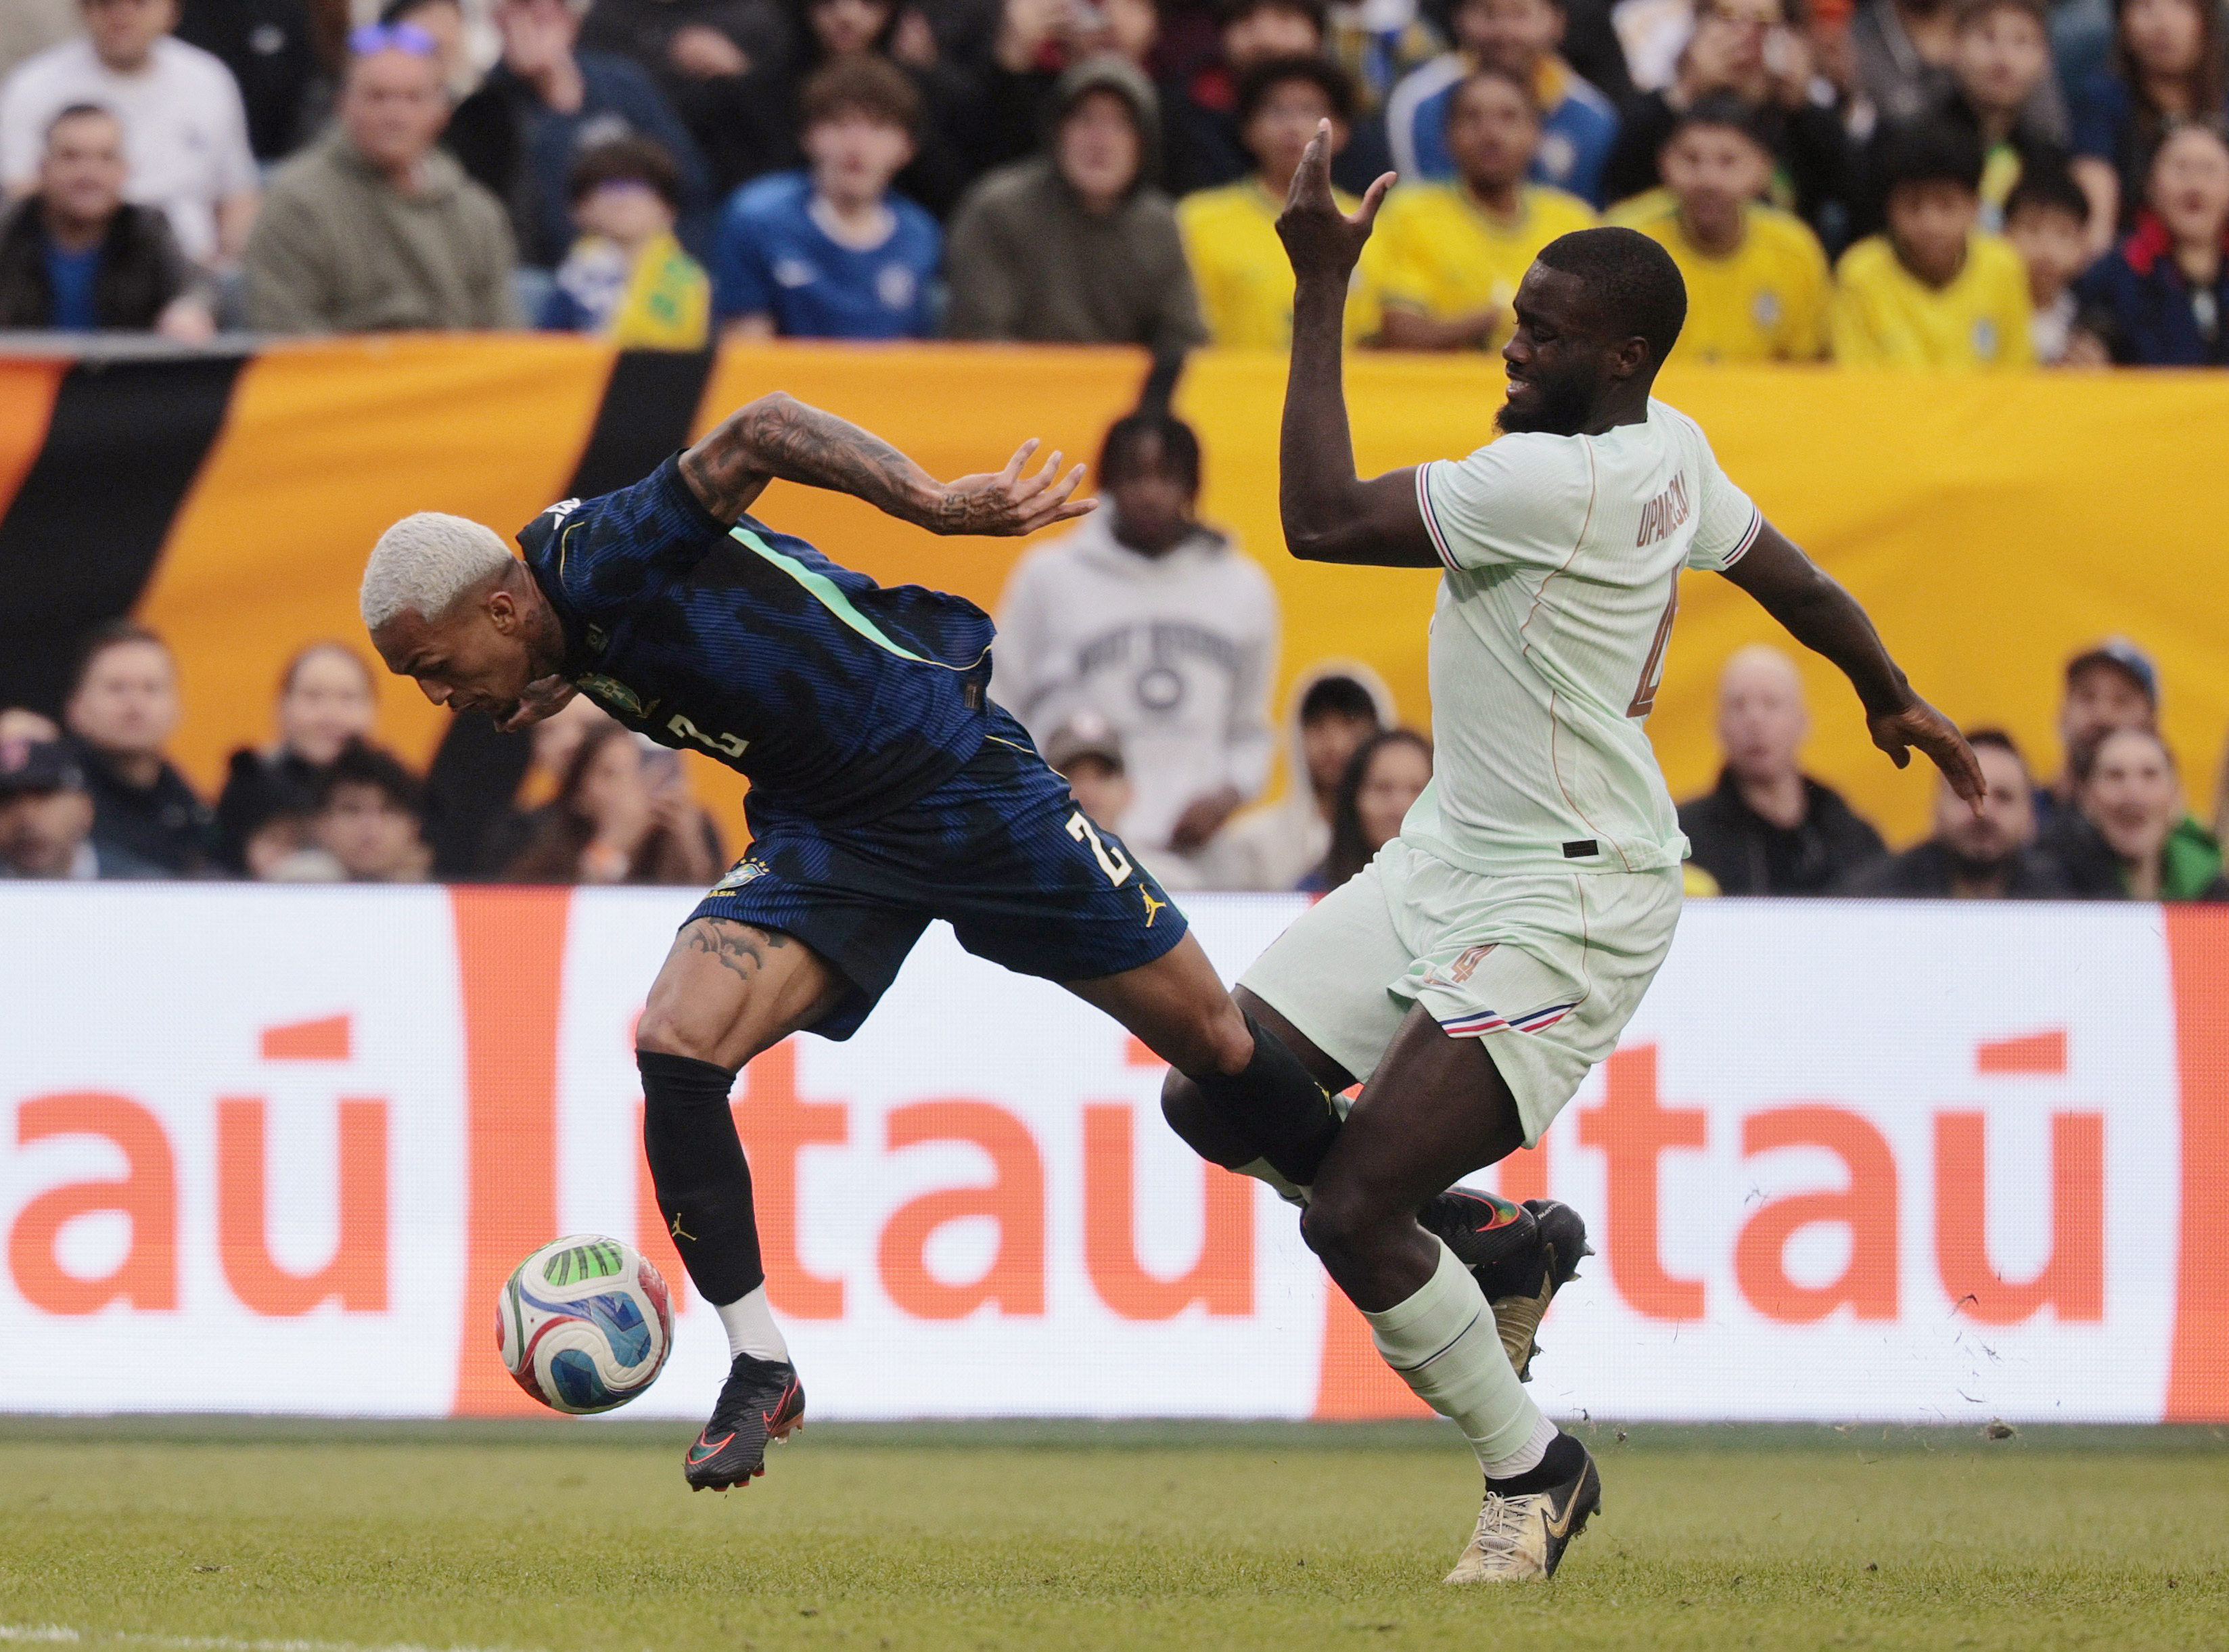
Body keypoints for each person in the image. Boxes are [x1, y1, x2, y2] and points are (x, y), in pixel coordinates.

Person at [359, 384, 1526, 1499]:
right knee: (676, 1042)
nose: (435, 695)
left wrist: (935, 502)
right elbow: (641, 626)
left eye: (433, 666)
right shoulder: (559, 613)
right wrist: (559, 676)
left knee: (1217, 1045)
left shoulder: (602, 549)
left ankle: (1458, 1226)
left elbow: (763, 428)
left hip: (956, 779)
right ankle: (761, 1361)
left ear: (501, 607)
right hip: (826, 829)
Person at [1157, 129, 1977, 1583]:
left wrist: (1317, 289)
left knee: (1349, 1210)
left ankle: (1534, 1469)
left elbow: (1317, 517)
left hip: (1573, 897)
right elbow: (1781, 565)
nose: (1510, 344)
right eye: (1517, 318)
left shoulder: (1553, 485)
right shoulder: (1668, 449)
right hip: (1448, 856)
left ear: (1623, 355)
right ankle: (1495, 1246)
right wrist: (1886, 685)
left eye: (1543, 332)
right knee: (1214, 1093)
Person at [994, 409, 1278, 884]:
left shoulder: (1243, 586)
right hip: (1071, 855)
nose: (1149, 493)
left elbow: (1250, 730)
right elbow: (1000, 709)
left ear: (1193, 486)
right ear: (1106, 484)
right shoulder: (1049, 576)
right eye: (1134, 477)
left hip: (1196, 863)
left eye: (1166, 477)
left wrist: (1226, 797)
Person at [245, 21, 522, 334]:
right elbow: (285, 338)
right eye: (378, 96)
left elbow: (502, 340)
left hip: (456, 379)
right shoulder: (296, 205)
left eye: (413, 97)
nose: (395, 115)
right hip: (343, 378)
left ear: (442, 112)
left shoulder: (476, 213)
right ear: (342, 105)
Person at [944, 55, 1207, 349]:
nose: (1100, 140)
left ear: (1145, 143)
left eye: (1120, 124)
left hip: (1124, 391)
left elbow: (1185, 344)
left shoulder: (1160, 225)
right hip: (1014, 387)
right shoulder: (998, 209)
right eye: (1084, 119)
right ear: (1056, 132)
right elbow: (978, 337)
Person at [446, 0, 711, 269]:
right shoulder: (486, 107)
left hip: (662, 260)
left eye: (554, 5)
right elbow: (533, 221)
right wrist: (555, 101)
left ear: (571, 20)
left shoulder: (621, 82)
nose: (541, 12)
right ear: (499, 19)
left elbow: (688, 182)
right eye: (524, 5)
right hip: (553, 274)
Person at [0, 0, 260, 269]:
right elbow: (21, 193)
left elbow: (237, 194)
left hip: (193, 268)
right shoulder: (33, 84)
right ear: (83, 9)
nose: (122, 15)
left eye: (139, 4)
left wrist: (226, 268)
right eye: (107, 4)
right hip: (75, 271)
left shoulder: (209, 79)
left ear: (172, 10)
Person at [710, 55, 940, 340]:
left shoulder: (919, 233)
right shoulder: (757, 218)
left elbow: (912, 353)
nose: (856, 146)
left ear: (907, 148)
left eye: (878, 127)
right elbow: (746, 349)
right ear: (808, 136)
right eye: (840, 124)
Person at [1369, 65, 1595, 352]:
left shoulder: (1573, 220)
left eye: (1509, 117)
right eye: (1472, 118)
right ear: (1447, 136)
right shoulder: (1410, 213)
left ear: (1536, 133)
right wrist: (1494, 321)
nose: (1490, 134)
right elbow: (1399, 335)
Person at [1598, 0, 1853, 242]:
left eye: (1763, 20)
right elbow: (1621, 183)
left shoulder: (1803, 112)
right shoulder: (1665, 104)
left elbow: (1849, 195)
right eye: (1729, 17)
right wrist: (1687, 89)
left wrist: (1803, 105)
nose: (1746, 33)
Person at [1180, 56, 1384, 348]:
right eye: (1276, 111)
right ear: (1248, 130)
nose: (1293, 126)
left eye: (1309, 111)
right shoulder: (1197, 219)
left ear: (1342, 132)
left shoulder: (1368, 222)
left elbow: (1376, 340)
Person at [1609, 95, 1831, 361]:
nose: (1708, 180)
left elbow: (1809, 369)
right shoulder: (1623, 243)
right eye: (1691, 160)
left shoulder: (1796, 249)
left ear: (1763, 167)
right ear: (1664, 163)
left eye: (1728, 161)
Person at [1678, 644, 1887, 893]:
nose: (1754, 721)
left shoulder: (1851, 837)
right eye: (1738, 705)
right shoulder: (1685, 840)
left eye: (1771, 703)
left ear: (1802, 721)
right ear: (1719, 725)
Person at [1831, 117, 2033, 367]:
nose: (1930, 224)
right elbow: (1856, 383)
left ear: (1975, 207)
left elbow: (2016, 376)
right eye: (1913, 206)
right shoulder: (1859, 272)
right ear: (1890, 209)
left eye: (1946, 205)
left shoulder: (2003, 266)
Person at [0, 103, 214, 338]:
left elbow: (197, 286)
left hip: (127, 374)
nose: (89, 174)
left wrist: (189, 310)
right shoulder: (9, 228)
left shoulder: (147, 228)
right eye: (71, 157)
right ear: (43, 168)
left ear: (125, 170)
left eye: (106, 158)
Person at [1383, 0, 1619, 204]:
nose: (1505, 32)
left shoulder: (1594, 117)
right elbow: (1420, 204)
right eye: (1489, 14)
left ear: (1557, 21)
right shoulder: (1419, 103)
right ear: (1459, 18)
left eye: (1520, 14)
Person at [1205, 662, 1391, 890]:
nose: (1335, 744)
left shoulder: (1400, 841)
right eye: (1318, 726)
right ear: (1295, 733)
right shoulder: (1252, 844)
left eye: (1349, 724)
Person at [2069, 0, 2228, 245]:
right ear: (2122, 22)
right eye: (2145, 6)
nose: (2163, 24)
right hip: (2132, 263)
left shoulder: (2223, 102)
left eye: (2180, 5)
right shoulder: (2102, 100)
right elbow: (2095, 222)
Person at [1839, 728, 2071, 896]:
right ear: (1935, 808)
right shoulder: (1874, 899)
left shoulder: (2066, 903)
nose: (1983, 811)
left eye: (2003, 797)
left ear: (2031, 816)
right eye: (1965, 793)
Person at [61, 620, 212, 876]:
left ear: (177, 708)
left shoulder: (192, 809)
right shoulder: (52, 798)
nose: (135, 706)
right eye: (116, 688)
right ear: (76, 707)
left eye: (151, 689)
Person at [214, 642, 380, 873]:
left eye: (348, 698)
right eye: (313, 697)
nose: (330, 715)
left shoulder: (394, 794)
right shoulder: (250, 785)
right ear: (282, 707)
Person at [2074, 120, 2229, 364]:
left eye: (2209, 170)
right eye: (2180, 168)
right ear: (2151, 186)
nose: (2194, 185)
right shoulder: (2114, 274)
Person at [541, 135, 712, 346]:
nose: (624, 200)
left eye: (640, 188)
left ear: (668, 211)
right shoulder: (571, 281)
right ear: (580, 210)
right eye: (609, 188)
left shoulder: (694, 282)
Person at [504, 722, 722, 883]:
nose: (629, 789)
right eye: (610, 774)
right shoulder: (533, 843)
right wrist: (614, 845)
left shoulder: (695, 829)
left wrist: (691, 846)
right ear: (579, 792)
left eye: (639, 773)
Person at [1164, 0, 1336, 196]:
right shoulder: (1182, 110)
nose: (1265, 38)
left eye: (1285, 17)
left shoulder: (1354, 115)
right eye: (1246, 18)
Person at [2042, 725, 2228, 898]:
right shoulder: (2046, 894)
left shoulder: (2216, 898)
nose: (2133, 793)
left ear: (2177, 799)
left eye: (2150, 774)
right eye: (2115, 775)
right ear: (2088, 800)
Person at [1849, 0, 2067, 136]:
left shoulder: (2043, 143)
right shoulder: (1925, 139)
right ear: (1955, 44)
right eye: (1988, 38)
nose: (2004, 59)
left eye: (2022, 42)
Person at [175, 0, 325, 162]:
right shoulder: (175, 13)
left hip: (281, 158)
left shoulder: (290, 11)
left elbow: (310, 88)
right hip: (194, 156)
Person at [0, 735, 164, 879]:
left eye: (43, 796)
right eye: (6, 800)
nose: (26, 817)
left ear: (85, 807)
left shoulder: (145, 890)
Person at [2039, 635, 2157, 820]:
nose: (2102, 714)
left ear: (2151, 724)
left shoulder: (2174, 842)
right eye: (2087, 696)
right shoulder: (2021, 819)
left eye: (2122, 700)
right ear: (2062, 714)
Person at [2004, 160, 2106, 361]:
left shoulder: (2088, 321)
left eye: (2063, 234)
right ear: (2005, 235)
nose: (2046, 250)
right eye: (2032, 230)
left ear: (2082, 246)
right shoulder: (1984, 310)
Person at [1308, 725, 1431, 889]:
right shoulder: (1313, 896)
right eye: (1383, 788)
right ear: (1353, 799)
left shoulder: (1463, 897)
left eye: (1417, 790)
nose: (1401, 807)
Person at [311, 739, 434, 883]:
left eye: (389, 811)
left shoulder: (449, 897)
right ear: (320, 824)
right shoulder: (290, 891)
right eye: (352, 810)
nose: (371, 829)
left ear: (414, 826)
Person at [1043, 709, 1132, 833]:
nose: (1088, 792)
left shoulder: (1147, 853)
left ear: (1127, 792)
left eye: (1102, 777)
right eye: (1071, 777)